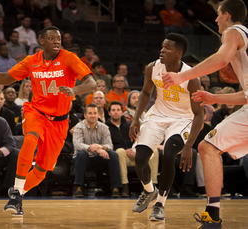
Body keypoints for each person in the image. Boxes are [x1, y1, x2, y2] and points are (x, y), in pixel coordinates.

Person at [0, 25, 96, 216]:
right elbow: (6, 78)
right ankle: (16, 192)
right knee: (30, 139)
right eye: (52, 38)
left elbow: (91, 83)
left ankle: (18, 195)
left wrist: (74, 90)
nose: (57, 41)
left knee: (43, 169)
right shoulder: (31, 61)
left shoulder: (69, 58)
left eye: (59, 39)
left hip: (60, 121)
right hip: (36, 111)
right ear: (41, 40)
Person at [162, 0, 247, 227]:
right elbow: (246, 96)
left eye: (218, 15)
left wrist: (182, 76)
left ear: (227, 15)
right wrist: (215, 98)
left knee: (208, 147)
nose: (216, 20)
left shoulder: (232, 32)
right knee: (208, 147)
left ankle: (213, 216)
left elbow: (220, 59)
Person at [129, 33, 204, 221]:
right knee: (140, 158)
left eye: (167, 48)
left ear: (179, 53)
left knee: (169, 155)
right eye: (162, 46)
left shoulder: (192, 77)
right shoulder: (152, 68)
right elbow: (146, 93)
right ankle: (149, 191)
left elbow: (199, 114)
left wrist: (189, 146)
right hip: (157, 115)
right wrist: (136, 119)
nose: (162, 50)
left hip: (182, 119)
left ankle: (160, 203)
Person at [72, 103, 122, 198]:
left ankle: (116, 188)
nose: (93, 115)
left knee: (113, 154)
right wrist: (92, 148)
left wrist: (100, 147)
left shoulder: (104, 127)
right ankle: (78, 187)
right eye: (90, 113)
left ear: (98, 114)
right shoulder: (79, 127)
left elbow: (109, 145)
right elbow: (78, 144)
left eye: (95, 113)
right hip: (84, 159)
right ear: (85, 115)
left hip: (100, 158)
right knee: (82, 154)